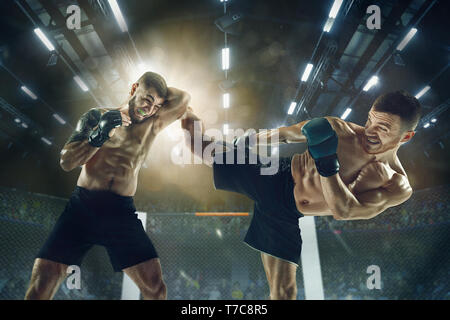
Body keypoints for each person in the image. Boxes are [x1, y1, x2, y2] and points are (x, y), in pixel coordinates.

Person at [181, 90, 420, 299]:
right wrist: (245, 141)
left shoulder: (397, 185)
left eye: (383, 128)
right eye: (370, 120)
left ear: (406, 137)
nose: (369, 130)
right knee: (197, 144)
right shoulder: (338, 129)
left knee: (284, 294)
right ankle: (183, 105)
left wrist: (327, 163)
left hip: (286, 213)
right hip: (275, 177)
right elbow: (284, 134)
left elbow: (345, 211)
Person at [24, 72, 190, 300]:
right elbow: (67, 161)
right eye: (146, 100)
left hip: (120, 212)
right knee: (42, 284)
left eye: (156, 105)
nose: (149, 109)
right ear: (133, 89)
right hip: (83, 207)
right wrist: (99, 135)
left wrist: (155, 90)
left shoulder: (153, 124)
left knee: (155, 288)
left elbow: (184, 98)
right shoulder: (96, 116)